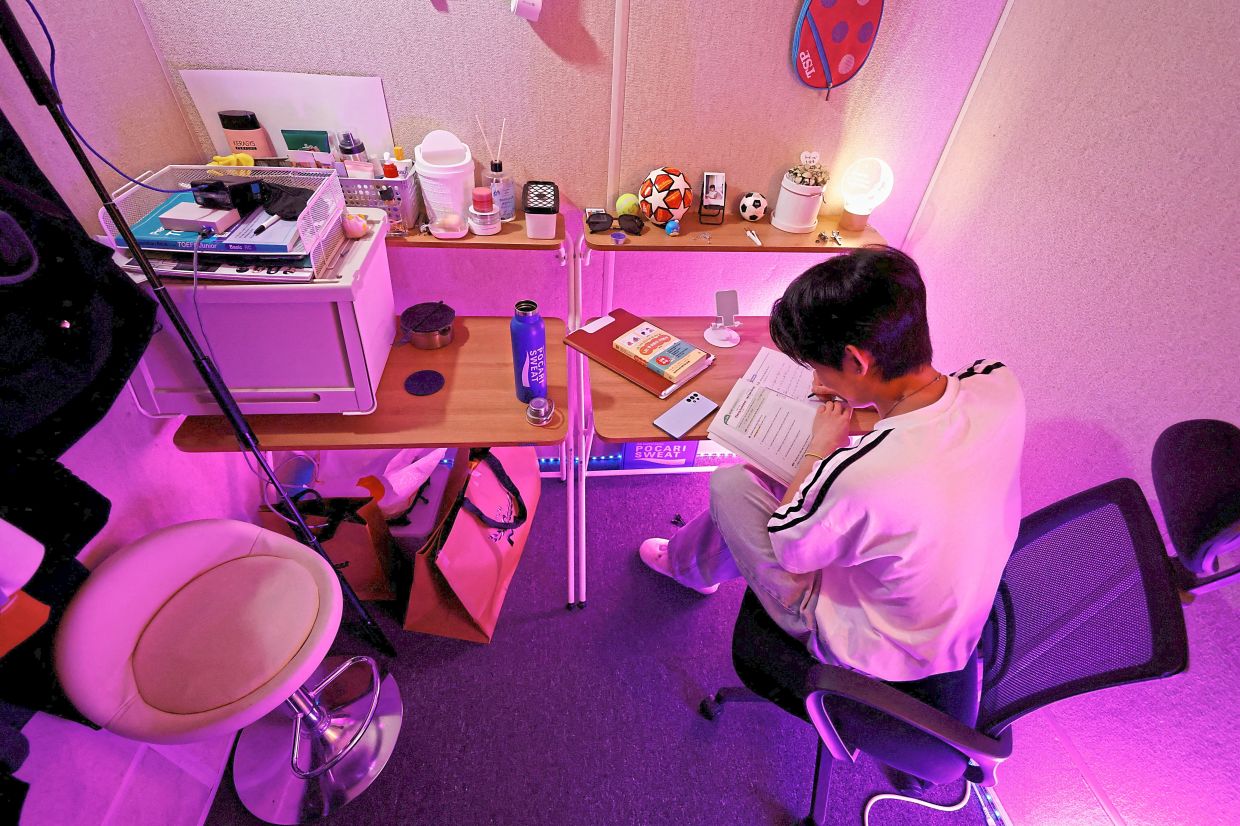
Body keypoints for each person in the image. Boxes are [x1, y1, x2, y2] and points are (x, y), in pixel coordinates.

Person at [639, 246, 1025, 682]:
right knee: (766, 483)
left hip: (878, 647)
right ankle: (691, 563)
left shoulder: (864, 477)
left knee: (731, 485)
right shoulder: (998, 382)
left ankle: (688, 567)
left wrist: (821, 446)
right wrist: (870, 400)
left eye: (820, 370)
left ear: (857, 361)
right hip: (946, 621)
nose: (817, 383)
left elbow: (791, 549)